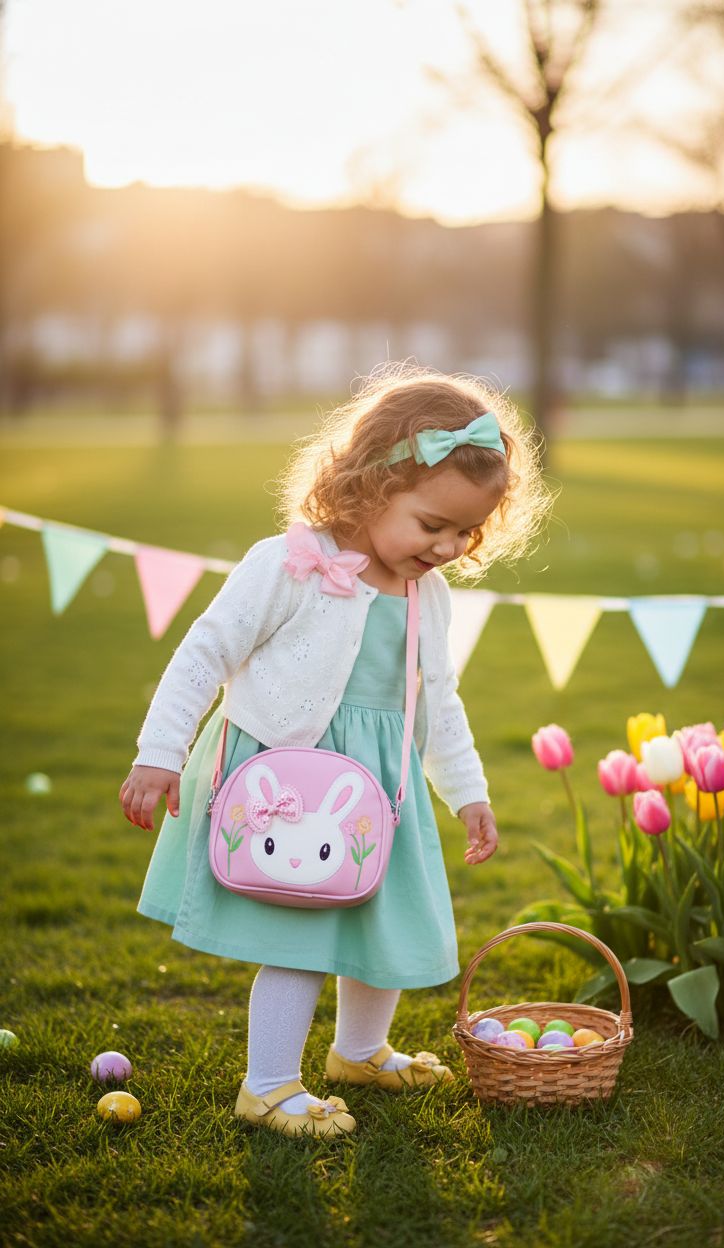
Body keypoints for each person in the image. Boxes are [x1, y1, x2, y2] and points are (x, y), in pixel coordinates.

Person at [118, 363, 550, 1137]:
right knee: (301, 928)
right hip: (291, 779)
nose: (448, 546)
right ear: (372, 485)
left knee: (374, 916)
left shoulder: (430, 594)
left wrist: (467, 791)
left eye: (466, 532)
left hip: (379, 786)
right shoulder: (288, 564)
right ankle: (269, 1084)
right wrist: (160, 750)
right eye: (433, 525)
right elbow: (204, 653)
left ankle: (360, 1050)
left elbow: (438, 701)